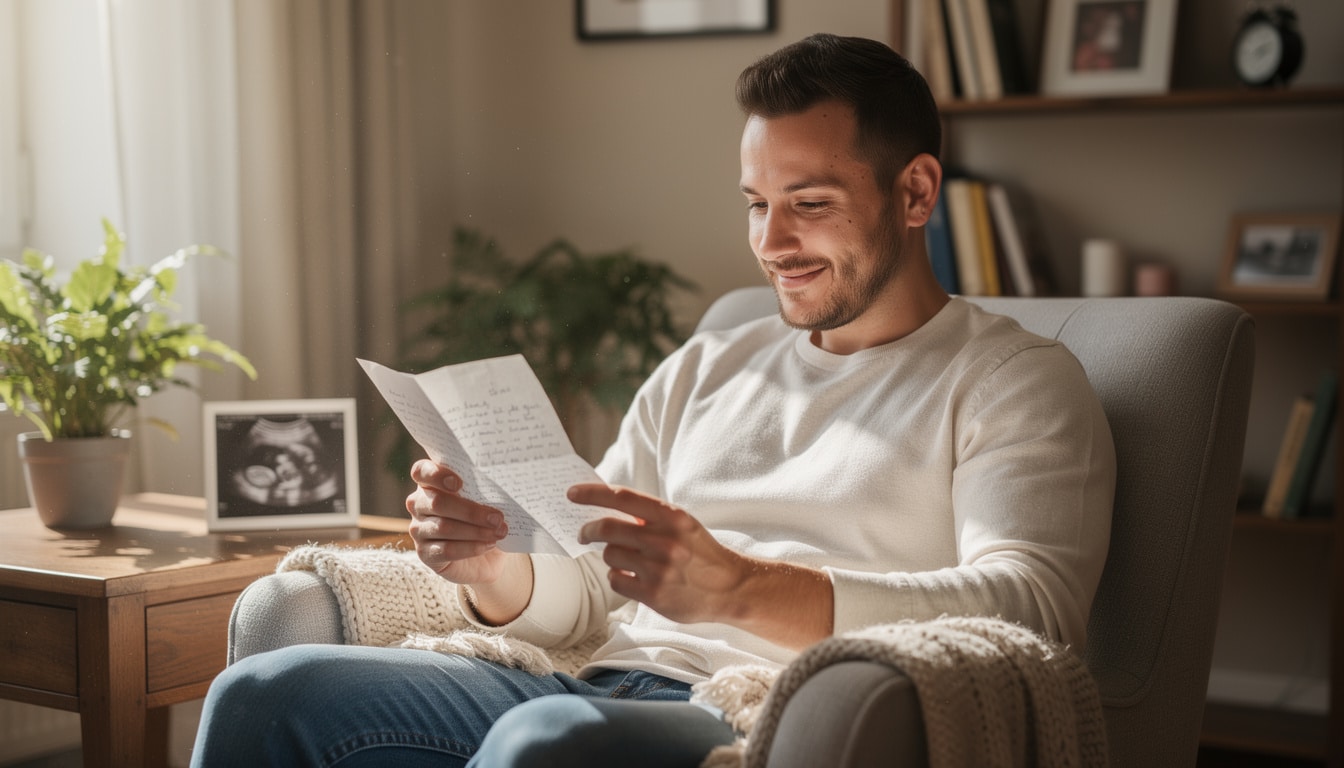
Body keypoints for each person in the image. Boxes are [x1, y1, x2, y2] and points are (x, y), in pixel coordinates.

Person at [191, 32, 1114, 767]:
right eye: (757, 202)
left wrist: (747, 590)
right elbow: (593, 588)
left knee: (541, 746)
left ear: (914, 192)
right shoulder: (708, 367)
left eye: (812, 202)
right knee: (263, 696)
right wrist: (495, 573)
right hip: (594, 683)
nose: (773, 241)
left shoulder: (1012, 382)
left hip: (765, 716)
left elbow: (1028, 609)